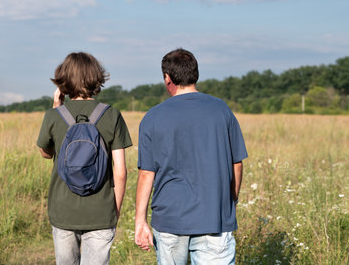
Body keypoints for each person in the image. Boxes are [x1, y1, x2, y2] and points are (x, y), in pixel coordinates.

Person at [135, 48, 248, 265]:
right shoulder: (221, 110)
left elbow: (146, 174)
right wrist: (231, 199)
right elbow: (237, 164)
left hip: (169, 220)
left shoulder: (153, 117)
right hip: (215, 217)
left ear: (168, 79)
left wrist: (140, 221)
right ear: (195, 74)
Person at [37, 52, 132, 265]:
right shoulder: (112, 115)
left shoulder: (54, 115)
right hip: (100, 211)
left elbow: (46, 153)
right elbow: (120, 170)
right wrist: (114, 210)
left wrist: (56, 107)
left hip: (63, 210)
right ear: (95, 77)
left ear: (63, 80)